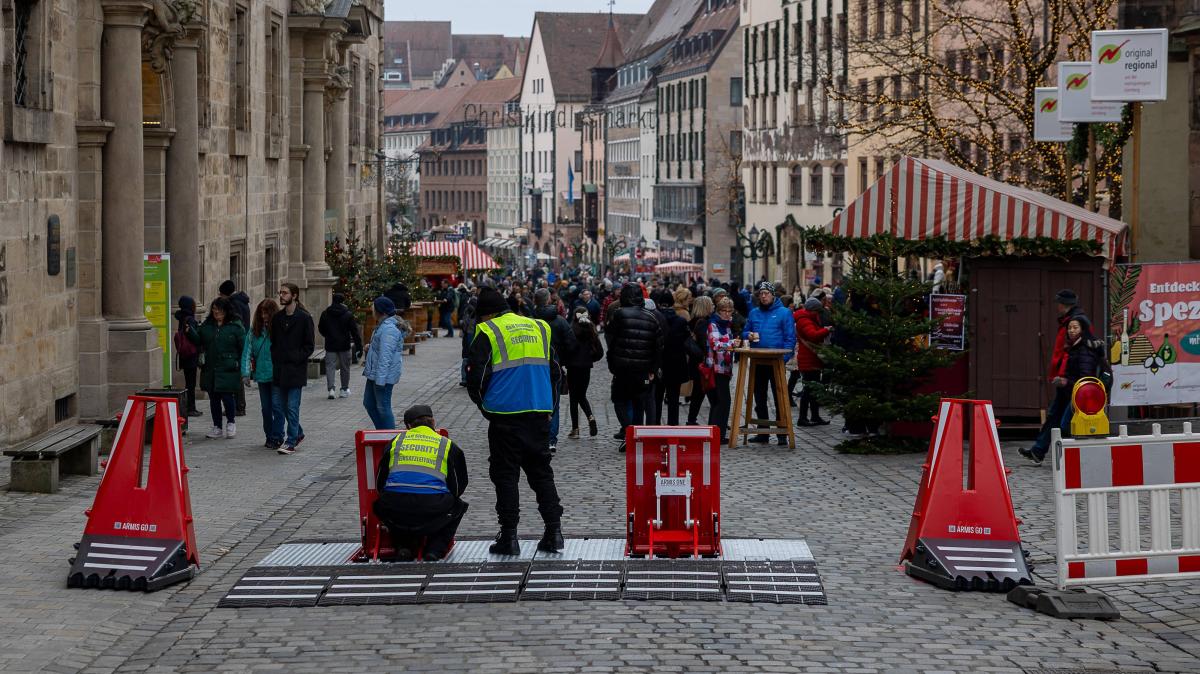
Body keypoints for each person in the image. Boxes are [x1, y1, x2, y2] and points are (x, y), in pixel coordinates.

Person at [466, 287, 565, 555]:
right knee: (542, 473)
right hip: (538, 413)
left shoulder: (488, 331)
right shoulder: (540, 328)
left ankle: (509, 537)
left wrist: (485, 407)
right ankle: (554, 532)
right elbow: (556, 373)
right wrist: (549, 408)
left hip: (504, 417)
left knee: (505, 476)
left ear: (486, 314)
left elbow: (475, 378)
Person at [373, 404, 469, 561]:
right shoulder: (447, 445)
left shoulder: (395, 442)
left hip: (396, 513)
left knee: (381, 504)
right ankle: (435, 549)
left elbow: (379, 484)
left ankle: (403, 546)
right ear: (433, 422)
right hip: (433, 512)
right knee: (458, 505)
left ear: (408, 426)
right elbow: (458, 487)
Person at [605, 283, 665, 451]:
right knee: (639, 402)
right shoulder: (651, 317)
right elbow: (658, 347)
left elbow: (610, 340)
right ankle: (637, 437)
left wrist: (613, 364)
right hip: (643, 370)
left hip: (622, 368)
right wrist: (653, 369)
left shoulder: (619, 315)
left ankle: (630, 432)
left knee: (619, 400)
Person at [741, 281, 798, 445]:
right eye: (761, 294)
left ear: (773, 295)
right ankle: (762, 432)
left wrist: (784, 358)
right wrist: (748, 335)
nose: (763, 296)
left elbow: (790, 338)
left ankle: (782, 433)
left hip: (776, 361)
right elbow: (745, 331)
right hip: (758, 360)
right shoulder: (754, 313)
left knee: (779, 396)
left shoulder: (784, 313)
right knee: (759, 396)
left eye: (766, 293)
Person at [186, 296, 246, 439]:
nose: (216, 312)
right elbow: (199, 340)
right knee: (214, 398)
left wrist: (241, 364)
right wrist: (190, 332)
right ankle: (217, 426)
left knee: (227, 396)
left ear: (226, 311)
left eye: (219, 310)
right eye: (214, 310)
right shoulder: (208, 326)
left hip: (228, 367)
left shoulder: (235, 327)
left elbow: (243, 347)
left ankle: (231, 422)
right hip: (211, 368)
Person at [271, 283, 315, 455]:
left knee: (292, 406)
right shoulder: (278, 318)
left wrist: (296, 357)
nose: (281, 295)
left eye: (285, 293)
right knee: (280, 406)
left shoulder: (304, 318)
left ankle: (291, 441)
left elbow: (309, 345)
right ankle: (299, 432)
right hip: (280, 369)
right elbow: (274, 342)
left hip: (295, 370)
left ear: (294, 296)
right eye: (280, 292)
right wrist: (276, 356)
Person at [533, 288, 577, 453]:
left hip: (534, 367)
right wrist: (561, 360)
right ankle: (551, 439)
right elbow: (571, 343)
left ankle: (539, 435)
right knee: (554, 404)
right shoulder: (560, 321)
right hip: (555, 367)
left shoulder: (530, 321)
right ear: (549, 300)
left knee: (535, 401)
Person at [362, 296, 409, 430]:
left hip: (382, 376)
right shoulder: (383, 325)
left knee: (383, 407)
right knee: (369, 403)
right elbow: (382, 349)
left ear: (380, 311)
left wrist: (381, 380)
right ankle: (382, 433)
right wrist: (370, 347)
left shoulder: (389, 328)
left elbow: (385, 357)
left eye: (374, 309)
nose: (372, 311)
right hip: (375, 374)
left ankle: (389, 437)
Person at [242, 299, 282, 448]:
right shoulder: (254, 332)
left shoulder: (279, 330)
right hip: (262, 375)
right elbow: (247, 352)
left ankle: (278, 436)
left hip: (277, 374)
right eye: (262, 313)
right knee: (266, 408)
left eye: (267, 313)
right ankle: (269, 435)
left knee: (277, 407)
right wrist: (245, 373)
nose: (264, 316)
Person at [705, 297, 742, 443]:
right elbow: (715, 344)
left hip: (725, 367)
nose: (727, 314)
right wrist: (732, 343)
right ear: (718, 311)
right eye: (724, 311)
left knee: (719, 402)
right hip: (716, 367)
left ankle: (715, 434)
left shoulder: (727, 324)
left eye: (729, 311)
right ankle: (717, 436)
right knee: (722, 401)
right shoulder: (713, 324)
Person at [652, 290, 690, 426]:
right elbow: (687, 339)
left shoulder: (655, 319)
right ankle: (673, 426)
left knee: (657, 397)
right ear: (673, 304)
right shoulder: (680, 321)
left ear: (659, 304)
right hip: (675, 363)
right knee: (673, 399)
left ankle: (655, 425)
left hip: (659, 363)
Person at [565, 306, 603, 439]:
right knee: (581, 395)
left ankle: (575, 428)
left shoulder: (572, 330)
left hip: (573, 368)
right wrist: (589, 358)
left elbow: (567, 349)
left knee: (574, 398)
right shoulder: (591, 330)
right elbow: (600, 352)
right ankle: (590, 417)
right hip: (586, 368)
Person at [794, 297, 831, 427]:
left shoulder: (807, 318)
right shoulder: (805, 320)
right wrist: (827, 330)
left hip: (811, 359)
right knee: (809, 390)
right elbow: (813, 335)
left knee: (814, 390)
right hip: (808, 360)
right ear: (814, 310)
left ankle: (815, 416)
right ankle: (802, 418)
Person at [318, 293, 363, 399]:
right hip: (344, 344)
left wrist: (327, 335)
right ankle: (344, 389)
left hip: (330, 344)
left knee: (330, 367)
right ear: (343, 302)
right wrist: (359, 346)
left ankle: (331, 389)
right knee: (345, 367)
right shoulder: (347, 314)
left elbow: (321, 328)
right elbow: (354, 332)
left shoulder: (325, 313)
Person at [219, 280, 252, 417]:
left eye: (221, 293)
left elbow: (235, 323)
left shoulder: (233, 304)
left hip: (236, 342)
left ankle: (239, 406)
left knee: (236, 375)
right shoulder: (242, 302)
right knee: (237, 374)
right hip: (242, 340)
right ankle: (238, 405)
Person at [686, 296, 715, 425]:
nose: (713, 306)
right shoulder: (703, 323)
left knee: (699, 392)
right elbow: (705, 343)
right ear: (705, 306)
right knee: (708, 393)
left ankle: (692, 420)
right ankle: (717, 421)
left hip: (696, 362)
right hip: (702, 363)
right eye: (711, 304)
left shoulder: (694, 321)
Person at [173, 296, 203, 417]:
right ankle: (190, 408)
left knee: (188, 383)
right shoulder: (189, 319)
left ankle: (189, 407)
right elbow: (196, 338)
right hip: (191, 355)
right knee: (190, 384)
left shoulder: (182, 317)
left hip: (185, 355)